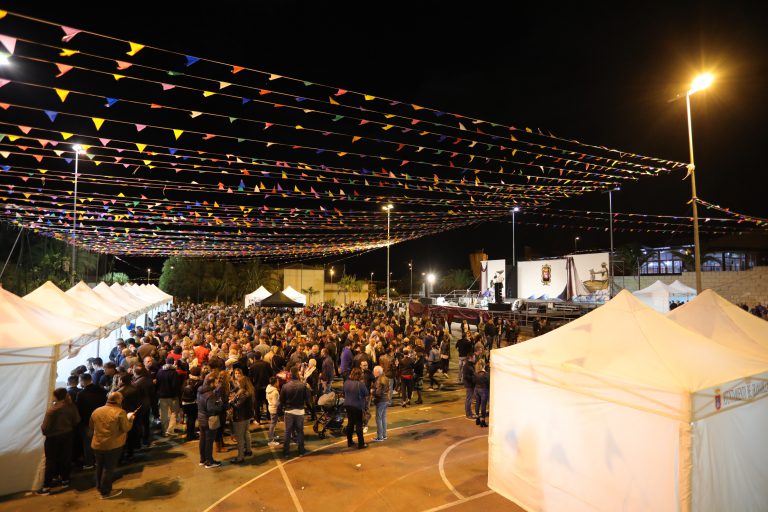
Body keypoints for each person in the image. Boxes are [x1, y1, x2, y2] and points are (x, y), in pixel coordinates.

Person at [90, 391, 135, 500]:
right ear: (118, 400)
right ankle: (105, 492)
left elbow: (91, 426)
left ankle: (99, 487)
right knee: (108, 468)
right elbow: (126, 428)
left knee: (99, 466)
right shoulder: (120, 412)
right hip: (113, 445)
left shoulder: (97, 411)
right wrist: (130, 419)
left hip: (97, 443)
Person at [38, 388, 80, 495]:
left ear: (55, 397)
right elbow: (77, 421)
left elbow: (45, 429)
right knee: (65, 458)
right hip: (68, 435)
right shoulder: (71, 407)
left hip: (53, 438)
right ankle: (65, 480)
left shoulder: (52, 410)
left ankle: (46, 486)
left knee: (51, 461)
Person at [76, 373, 107, 470]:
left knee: (88, 443)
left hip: (87, 422)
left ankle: (89, 462)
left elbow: (79, 409)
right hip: (102, 419)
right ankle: (102, 461)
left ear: (82, 381)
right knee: (102, 441)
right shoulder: (102, 390)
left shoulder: (81, 394)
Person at [279, 366, 308, 457]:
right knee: (300, 431)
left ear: (290, 374)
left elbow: (281, 400)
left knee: (288, 432)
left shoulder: (285, 386)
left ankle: (286, 452)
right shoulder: (303, 385)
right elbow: (307, 399)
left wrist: (279, 412)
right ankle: (301, 451)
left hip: (289, 411)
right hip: (299, 411)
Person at [197, 374, 224, 468]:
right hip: (209, 420)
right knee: (209, 441)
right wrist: (219, 404)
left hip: (201, 419)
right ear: (212, 383)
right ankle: (209, 461)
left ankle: (202, 459)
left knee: (203, 440)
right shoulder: (211, 395)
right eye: (216, 382)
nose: (217, 384)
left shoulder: (200, 391)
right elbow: (212, 409)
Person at [230, 375, 255, 463]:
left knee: (239, 437)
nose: (237, 383)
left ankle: (240, 457)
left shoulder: (244, 394)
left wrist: (231, 402)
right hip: (247, 416)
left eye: (238, 382)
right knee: (246, 433)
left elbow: (237, 406)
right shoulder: (249, 391)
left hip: (240, 417)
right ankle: (248, 450)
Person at [343, 367, 369, 450]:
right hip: (357, 406)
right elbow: (366, 393)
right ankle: (361, 443)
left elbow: (344, 392)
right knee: (358, 425)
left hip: (347, 405)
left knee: (350, 424)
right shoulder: (360, 384)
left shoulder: (346, 382)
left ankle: (349, 442)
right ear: (359, 375)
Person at [156, 357, 181, 437]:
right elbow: (175, 385)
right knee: (174, 413)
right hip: (172, 396)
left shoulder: (159, 371)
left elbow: (157, 383)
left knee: (163, 414)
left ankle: (164, 430)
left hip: (162, 396)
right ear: (173, 363)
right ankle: (170, 430)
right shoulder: (174, 373)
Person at [180, 367, 203, 441]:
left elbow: (181, 390)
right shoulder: (199, 382)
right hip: (193, 402)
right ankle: (190, 435)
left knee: (189, 419)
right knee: (192, 419)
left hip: (185, 403)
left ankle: (189, 434)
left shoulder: (186, 381)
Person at [371, 365, 389, 442]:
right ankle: (384, 435)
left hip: (380, 400)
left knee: (378, 418)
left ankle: (380, 437)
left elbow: (378, 392)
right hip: (386, 399)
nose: (373, 373)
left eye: (374, 371)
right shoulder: (385, 378)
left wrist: (372, 391)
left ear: (377, 372)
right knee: (383, 417)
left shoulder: (379, 380)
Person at [265, 376, 281, 447]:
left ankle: (272, 437)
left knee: (273, 424)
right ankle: (270, 440)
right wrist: (280, 402)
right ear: (275, 383)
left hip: (270, 407)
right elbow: (275, 403)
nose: (278, 382)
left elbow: (266, 398)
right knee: (273, 424)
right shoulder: (275, 392)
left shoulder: (268, 389)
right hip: (274, 409)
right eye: (277, 381)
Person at [473, 361, 490, 427]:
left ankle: (477, 418)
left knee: (477, 403)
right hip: (484, 390)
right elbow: (489, 383)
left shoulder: (475, 373)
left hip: (476, 389)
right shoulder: (486, 374)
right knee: (483, 405)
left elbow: (473, 381)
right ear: (483, 365)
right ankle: (483, 420)